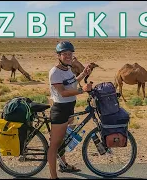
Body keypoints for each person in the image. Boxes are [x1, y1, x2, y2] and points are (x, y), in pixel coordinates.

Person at [48, 40, 92, 179]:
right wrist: (82, 91)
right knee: (55, 145)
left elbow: (71, 84)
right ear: (59, 56)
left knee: (64, 140)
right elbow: (63, 92)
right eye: (65, 54)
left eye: (70, 54)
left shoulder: (67, 69)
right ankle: (53, 176)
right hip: (60, 110)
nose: (68, 56)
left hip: (69, 108)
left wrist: (84, 74)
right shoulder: (55, 72)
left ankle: (64, 165)